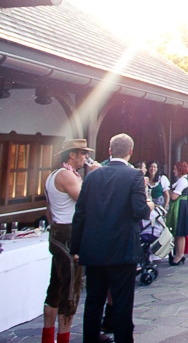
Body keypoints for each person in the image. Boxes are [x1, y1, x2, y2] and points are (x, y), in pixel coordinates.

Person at [72, 134, 153, 343]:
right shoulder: (134, 176)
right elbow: (140, 210)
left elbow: (80, 213)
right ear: (130, 152)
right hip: (122, 248)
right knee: (122, 303)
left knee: (93, 302)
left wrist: (76, 248)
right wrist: (150, 206)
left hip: (94, 249)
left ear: (109, 151)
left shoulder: (91, 177)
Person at [42, 139, 100, 343]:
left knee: (55, 288)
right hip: (69, 235)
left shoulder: (53, 176)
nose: (85, 157)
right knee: (70, 290)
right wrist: (94, 175)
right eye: (82, 153)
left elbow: (49, 210)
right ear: (72, 155)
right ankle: (63, 338)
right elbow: (86, 201)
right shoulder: (66, 175)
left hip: (58, 232)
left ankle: (48, 337)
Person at [166, 161, 188, 266]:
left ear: (180, 170)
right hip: (180, 206)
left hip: (180, 208)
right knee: (178, 233)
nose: (174, 171)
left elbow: (174, 196)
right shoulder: (181, 180)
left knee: (180, 232)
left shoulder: (182, 181)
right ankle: (178, 254)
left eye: (175, 169)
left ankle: (180, 254)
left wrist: (167, 192)